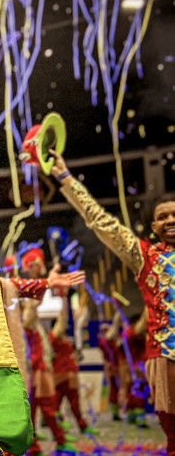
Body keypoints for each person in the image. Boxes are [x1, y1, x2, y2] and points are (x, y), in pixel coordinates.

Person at [51, 149, 175, 452]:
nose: (170, 220)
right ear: (154, 227)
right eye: (163, 217)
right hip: (166, 355)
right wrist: (66, 179)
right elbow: (101, 222)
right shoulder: (144, 255)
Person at [50, 293, 92, 435]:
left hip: (68, 374)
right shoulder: (54, 338)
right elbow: (62, 321)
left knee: (72, 403)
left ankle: (78, 426)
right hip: (61, 374)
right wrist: (63, 300)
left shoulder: (64, 339)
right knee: (57, 404)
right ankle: (59, 431)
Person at [99, 315, 127, 421]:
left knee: (119, 388)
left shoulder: (111, 341)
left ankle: (119, 410)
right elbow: (115, 327)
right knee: (115, 389)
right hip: (114, 368)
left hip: (117, 367)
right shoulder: (105, 341)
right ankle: (116, 411)